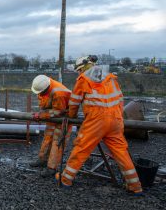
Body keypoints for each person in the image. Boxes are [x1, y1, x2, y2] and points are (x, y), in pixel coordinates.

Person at [56, 55, 143, 196]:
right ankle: (135, 186)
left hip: (96, 122)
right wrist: (117, 117)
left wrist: (71, 117)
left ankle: (65, 179)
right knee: (121, 152)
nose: (79, 72)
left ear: (83, 67)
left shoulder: (83, 80)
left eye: (79, 69)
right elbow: (120, 100)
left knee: (81, 148)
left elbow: (74, 102)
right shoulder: (111, 78)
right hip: (115, 120)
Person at [29, 75, 72, 177]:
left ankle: (52, 167)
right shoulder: (43, 85)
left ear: (46, 89)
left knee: (57, 142)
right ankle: (42, 159)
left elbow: (59, 111)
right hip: (52, 116)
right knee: (47, 137)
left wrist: (41, 115)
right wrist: (42, 113)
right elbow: (44, 102)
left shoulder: (59, 93)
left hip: (63, 117)